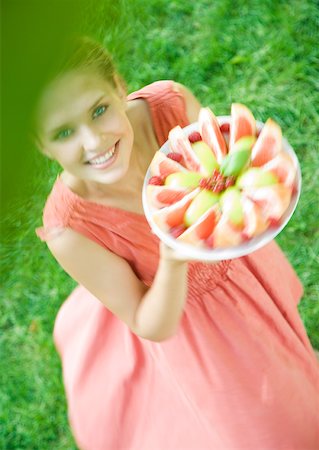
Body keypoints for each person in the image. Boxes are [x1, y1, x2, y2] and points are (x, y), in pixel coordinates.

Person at [35, 37, 319, 450]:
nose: (94, 142)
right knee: (267, 432)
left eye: (99, 110)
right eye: (64, 132)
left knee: (290, 365)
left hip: (241, 274)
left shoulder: (170, 107)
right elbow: (150, 323)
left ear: (118, 86)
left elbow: (224, 177)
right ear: (41, 145)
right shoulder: (69, 230)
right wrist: (172, 261)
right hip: (193, 331)